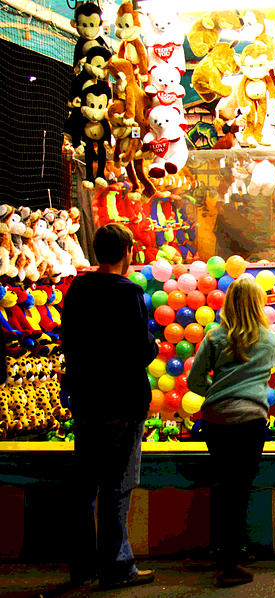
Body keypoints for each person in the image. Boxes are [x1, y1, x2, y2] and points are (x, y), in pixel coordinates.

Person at [61, 223, 158, 590]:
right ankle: (117, 566)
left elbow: (68, 340)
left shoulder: (77, 290)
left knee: (86, 483)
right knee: (117, 484)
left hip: (86, 397)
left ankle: (83, 565)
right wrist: (150, 343)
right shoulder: (127, 293)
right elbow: (140, 350)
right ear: (128, 252)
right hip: (123, 399)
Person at [187, 277, 275, 588]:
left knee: (224, 485)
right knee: (239, 487)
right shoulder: (270, 338)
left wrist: (219, 391)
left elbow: (195, 383)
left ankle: (226, 550)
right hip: (250, 420)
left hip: (216, 419)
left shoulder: (214, 337)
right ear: (258, 305)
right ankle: (230, 561)